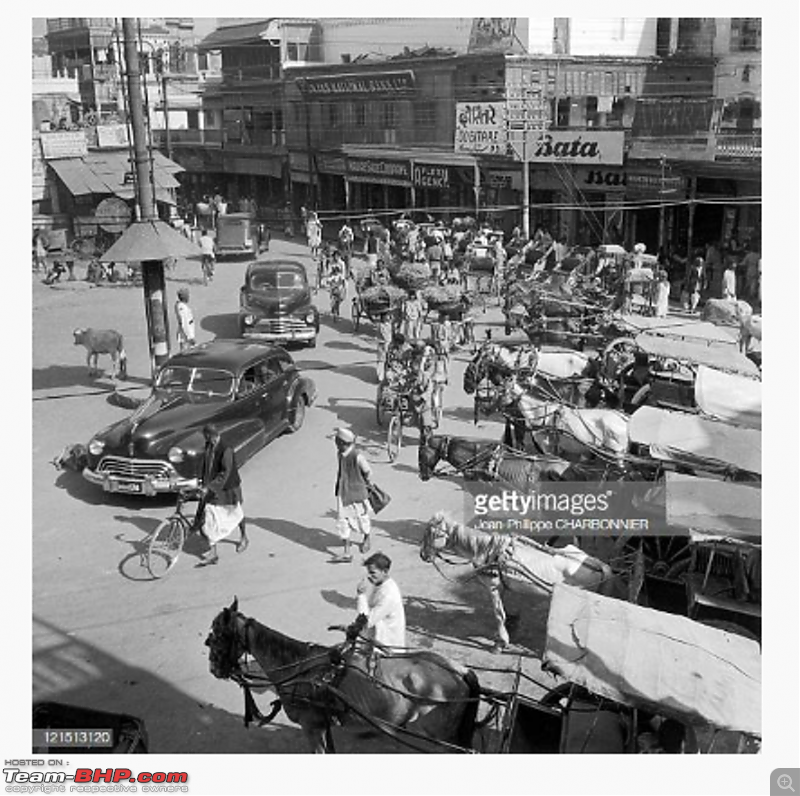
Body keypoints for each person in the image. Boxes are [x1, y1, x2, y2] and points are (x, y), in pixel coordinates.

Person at [197, 424, 248, 566]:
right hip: (212, 488)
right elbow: (206, 466)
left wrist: (211, 487)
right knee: (209, 517)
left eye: (209, 438)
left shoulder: (226, 449)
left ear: (214, 436)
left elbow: (226, 472)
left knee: (236, 513)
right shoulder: (209, 446)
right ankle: (213, 552)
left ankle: (244, 537)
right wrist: (203, 482)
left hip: (228, 488)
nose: (208, 441)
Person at [348, 552, 406, 651]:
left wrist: (361, 595)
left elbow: (366, 621)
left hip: (387, 648)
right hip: (380, 639)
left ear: (385, 571)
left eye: (372, 573)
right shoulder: (382, 585)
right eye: (368, 572)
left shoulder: (388, 594)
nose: (369, 576)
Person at [333, 427, 373, 562]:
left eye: (337, 441)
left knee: (362, 518)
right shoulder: (340, 454)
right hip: (343, 492)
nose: (335, 443)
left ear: (343, 442)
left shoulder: (358, 457)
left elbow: (368, 472)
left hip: (357, 493)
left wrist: (365, 483)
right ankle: (347, 551)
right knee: (343, 520)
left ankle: (367, 537)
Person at [174, 287, 196, 352]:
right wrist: (190, 338)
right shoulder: (182, 308)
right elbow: (185, 323)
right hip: (185, 337)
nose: (188, 297)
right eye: (187, 295)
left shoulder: (181, 305)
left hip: (186, 336)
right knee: (186, 353)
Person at [375, 312, 394, 382]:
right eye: (387, 316)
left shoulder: (389, 324)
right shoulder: (381, 326)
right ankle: (380, 377)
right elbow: (385, 336)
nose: (388, 317)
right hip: (382, 344)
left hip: (389, 344)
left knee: (389, 360)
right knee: (381, 361)